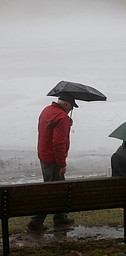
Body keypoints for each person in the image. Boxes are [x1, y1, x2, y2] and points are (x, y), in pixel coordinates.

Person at [27, 92, 78, 230]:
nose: (71, 109)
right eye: (71, 106)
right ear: (66, 104)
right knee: (51, 191)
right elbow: (58, 143)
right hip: (54, 160)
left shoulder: (47, 110)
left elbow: (49, 130)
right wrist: (62, 163)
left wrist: (67, 123)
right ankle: (36, 221)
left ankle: (60, 218)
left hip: (44, 156)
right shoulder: (61, 117)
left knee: (56, 188)